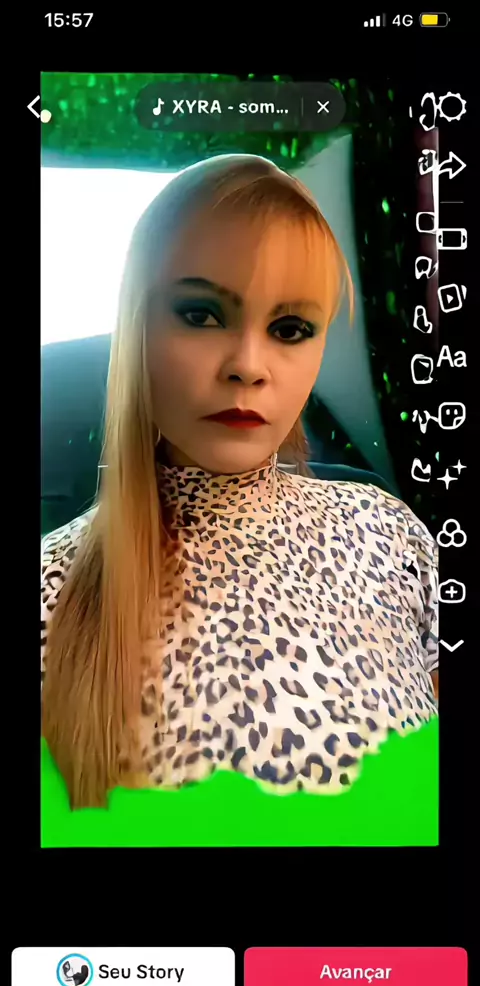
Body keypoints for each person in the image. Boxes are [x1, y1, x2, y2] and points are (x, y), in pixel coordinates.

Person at [41, 154, 439, 810]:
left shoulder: (392, 535)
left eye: (290, 329)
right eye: (201, 314)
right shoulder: (51, 590)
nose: (249, 365)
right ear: (137, 328)